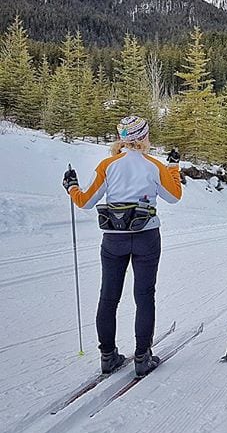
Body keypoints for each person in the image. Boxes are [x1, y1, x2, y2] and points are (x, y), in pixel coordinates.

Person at [62, 116, 182, 377]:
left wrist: (71, 186)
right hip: (146, 236)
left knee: (108, 296)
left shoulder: (108, 165)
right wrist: (173, 167)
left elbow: (84, 201)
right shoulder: (154, 166)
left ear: (122, 139)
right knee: (144, 295)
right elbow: (174, 196)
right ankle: (142, 357)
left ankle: (108, 356)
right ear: (144, 137)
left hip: (113, 238)